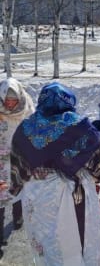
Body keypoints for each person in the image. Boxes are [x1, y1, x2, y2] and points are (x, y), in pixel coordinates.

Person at [9, 82, 100, 266]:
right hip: (75, 201)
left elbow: (17, 172)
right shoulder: (84, 130)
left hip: (38, 200)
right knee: (79, 245)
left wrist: (15, 188)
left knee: (48, 248)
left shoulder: (25, 130)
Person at [0, 78, 34, 258]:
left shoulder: (27, 107)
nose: (10, 104)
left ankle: (18, 217)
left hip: (19, 156)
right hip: (0, 157)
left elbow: (33, 129)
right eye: (7, 100)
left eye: (13, 100)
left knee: (18, 187)